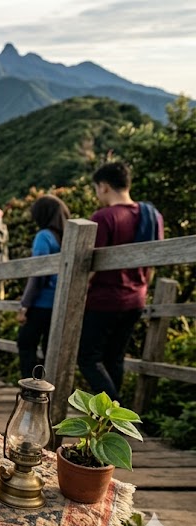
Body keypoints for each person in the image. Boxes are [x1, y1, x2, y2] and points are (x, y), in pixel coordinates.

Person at [77, 161, 163, 401]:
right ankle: (113, 419)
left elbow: (89, 267)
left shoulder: (104, 217)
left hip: (104, 300)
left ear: (103, 187)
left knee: (87, 358)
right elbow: (153, 263)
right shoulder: (153, 216)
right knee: (114, 358)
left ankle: (115, 412)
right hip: (136, 298)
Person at [17, 195, 70, 379]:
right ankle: (45, 387)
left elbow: (38, 275)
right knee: (49, 349)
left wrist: (25, 305)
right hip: (61, 303)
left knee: (25, 343)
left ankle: (30, 388)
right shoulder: (67, 238)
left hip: (41, 303)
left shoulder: (44, 236)